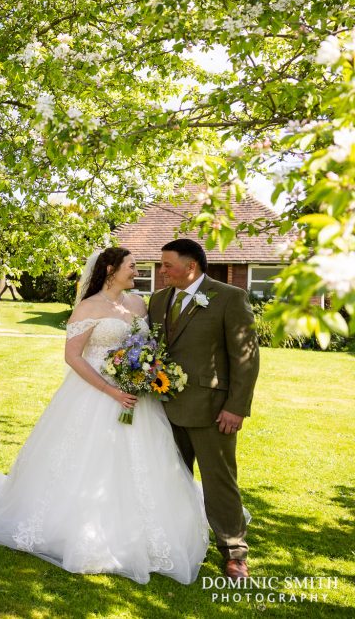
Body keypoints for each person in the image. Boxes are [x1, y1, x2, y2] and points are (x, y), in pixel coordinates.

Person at [0, 247, 208, 584]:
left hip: (137, 398)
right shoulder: (89, 307)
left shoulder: (138, 304)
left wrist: (144, 373)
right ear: (111, 269)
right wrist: (111, 390)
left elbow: (149, 348)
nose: (137, 271)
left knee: (145, 462)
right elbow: (73, 357)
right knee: (86, 459)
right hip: (96, 395)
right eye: (132, 266)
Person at [148, 239, 258, 580]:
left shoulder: (229, 297)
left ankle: (234, 552)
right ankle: (174, 541)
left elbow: (246, 358)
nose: (161, 271)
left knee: (219, 481)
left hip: (213, 411)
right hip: (163, 409)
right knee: (170, 479)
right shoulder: (157, 300)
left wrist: (236, 408)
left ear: (191, 266)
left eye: (167, 265)